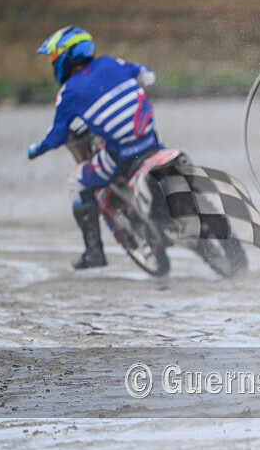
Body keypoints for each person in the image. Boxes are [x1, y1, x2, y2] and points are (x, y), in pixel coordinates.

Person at [27, 26, 162, 270]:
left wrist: (37, 148)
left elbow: (57, 135)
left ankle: (93, 252)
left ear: (65, 57)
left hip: (120, 154)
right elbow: (147, 76)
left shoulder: (68, 93)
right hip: (151, 142)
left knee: (77, 184)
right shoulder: (111, 63)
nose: (53, 63)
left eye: (53, 58)